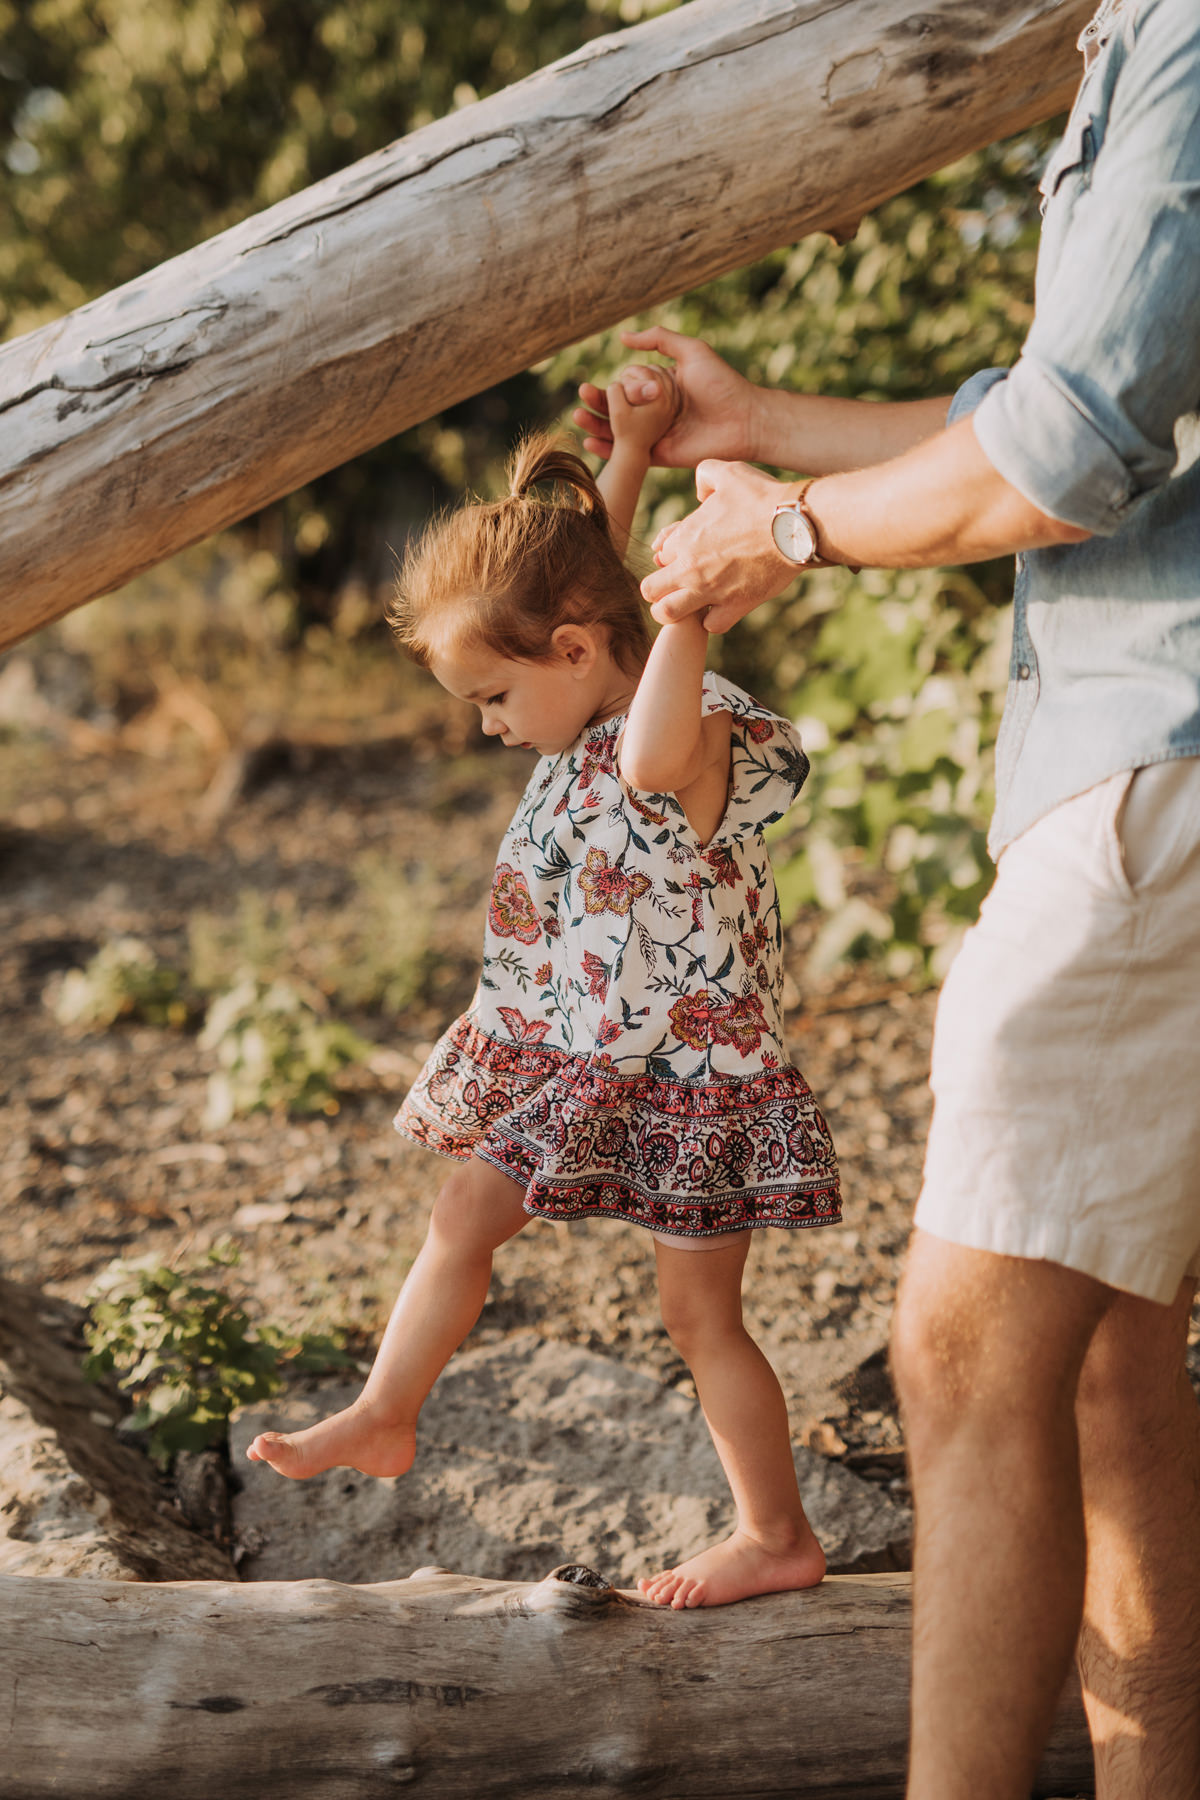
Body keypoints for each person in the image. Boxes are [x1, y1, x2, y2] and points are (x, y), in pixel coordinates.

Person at [576, 0, 1200, 1789]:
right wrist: (764, 423)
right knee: (1110, 1358)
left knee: (965, 1350)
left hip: (1156, 774)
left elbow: (1072, 449)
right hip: (1149, 759)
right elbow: (1078, 393)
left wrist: (786, 527)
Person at [247, 370, 842, 1609]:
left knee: (700, 1319)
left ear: (574, 654)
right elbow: (589, 584)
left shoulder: (688, 731)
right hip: (566, 1050)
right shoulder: (586, 680)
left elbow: (639, 697)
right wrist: (629, 451)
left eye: (493, 699)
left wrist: (688, 602)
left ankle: (775, 1533)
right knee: (461, 1218)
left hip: (687, 1081)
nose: (488, 727)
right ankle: (385, 1409)